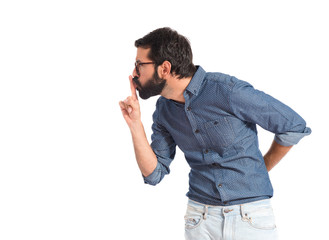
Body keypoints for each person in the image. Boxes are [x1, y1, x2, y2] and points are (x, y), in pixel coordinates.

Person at [119, 27, 311, 240]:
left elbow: (292, 125)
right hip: (199, 219)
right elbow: (153, 174)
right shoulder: (164, 111)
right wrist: (135, 124)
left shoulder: (226, 91)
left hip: (250, 218)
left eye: (139, 65)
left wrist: (262, 168)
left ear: (165, 68)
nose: (134, 73)